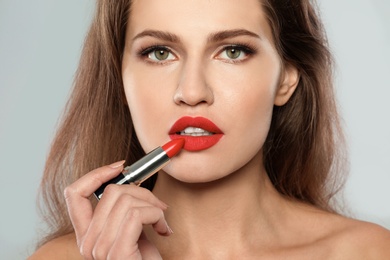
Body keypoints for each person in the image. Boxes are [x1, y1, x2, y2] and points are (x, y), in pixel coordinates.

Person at [30, 0, 390, 259]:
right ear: (121, 80)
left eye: (233, 51)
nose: (192, 92)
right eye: (159, 53)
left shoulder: (368, 252)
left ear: (286, 78)